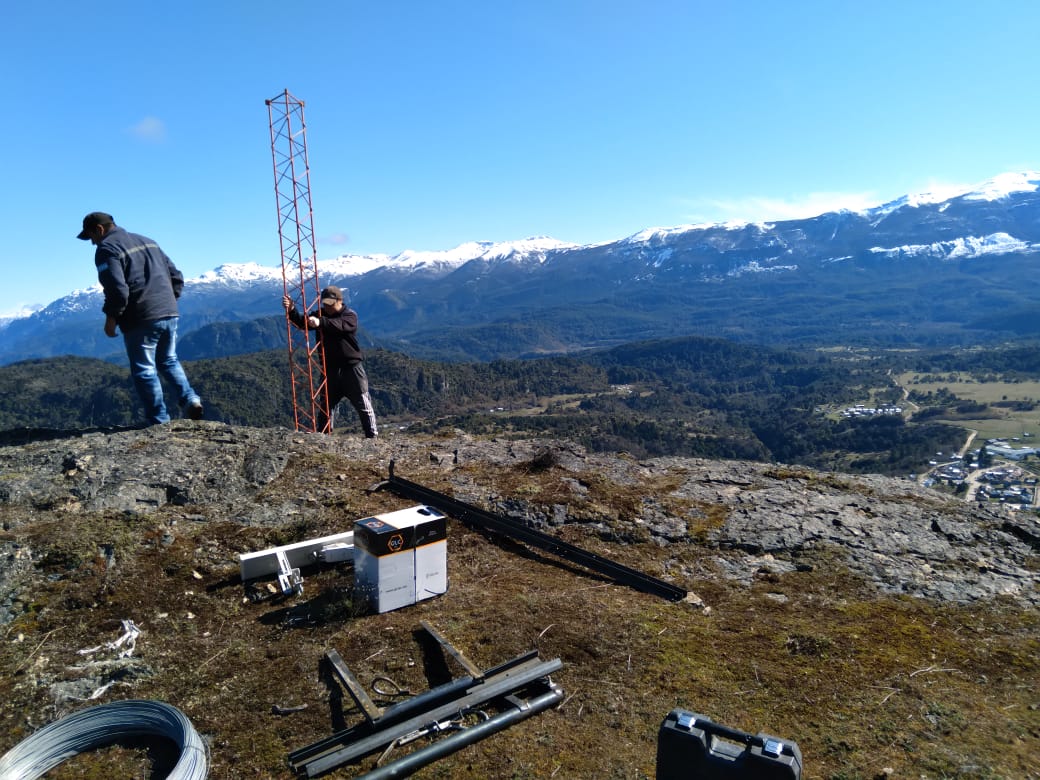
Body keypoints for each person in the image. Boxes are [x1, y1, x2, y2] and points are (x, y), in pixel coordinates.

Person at [77, 212, 203, 425]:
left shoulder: (107, 249)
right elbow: (177, 276)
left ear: (99, 229)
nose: (92, 242)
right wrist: (168, 301)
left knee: (144, 370)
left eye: (91, 236)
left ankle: (158, 420)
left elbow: (117, 289)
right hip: (169, 311)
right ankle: (190, 399)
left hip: (141, 316)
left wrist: (111, 318)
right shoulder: (148, 242)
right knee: (169, 360)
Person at [282, 286, 378, 437]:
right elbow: (302, 323)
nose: (327, 307)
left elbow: (339, 326)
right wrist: (292, 309)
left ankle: (372, 437)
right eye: (325, 304)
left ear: (340, 301)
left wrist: (320, 322)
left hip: (351, 368)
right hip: (329, 369)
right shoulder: (321, 315)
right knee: (326, 407)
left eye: (330, 304)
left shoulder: (349, 316)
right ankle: (324, 437)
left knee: (363, 403)